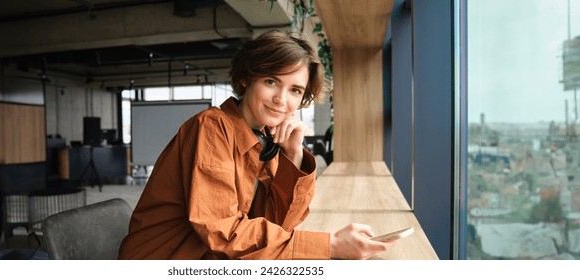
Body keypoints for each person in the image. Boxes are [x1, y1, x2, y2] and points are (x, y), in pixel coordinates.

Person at [118, 30, 396, 260]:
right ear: (245, 79)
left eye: (295, 90)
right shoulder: (212, 127)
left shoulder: (266, 138)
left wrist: (293, 155)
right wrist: (329, 245)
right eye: (271, 81)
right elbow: (223, 233)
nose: (281, 99)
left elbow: (280, 225)